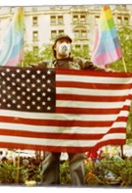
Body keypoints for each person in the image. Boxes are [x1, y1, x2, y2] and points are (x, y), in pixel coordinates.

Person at [33, 34, 106, 186]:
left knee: (77, 157)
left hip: (75, 116)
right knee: (51, 157)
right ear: (55, 47)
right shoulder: (46, 64)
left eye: (67, 42)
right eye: (61, 42)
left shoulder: (79, 62)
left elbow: (98, 70)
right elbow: (30, 71)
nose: (65, 44)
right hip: (53, 117)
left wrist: (116, 75)